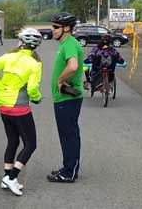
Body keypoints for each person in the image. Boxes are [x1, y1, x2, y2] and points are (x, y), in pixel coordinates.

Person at [0, 28, 43, 196]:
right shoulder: (34, 64)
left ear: (20, 43)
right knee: (31, 144)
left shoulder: (8, 56)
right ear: (34, 47)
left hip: (3, 104)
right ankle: (12, 178)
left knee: (13, 140)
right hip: (19, 106)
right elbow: (32, 88)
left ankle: (6, 177)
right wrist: (37, 98)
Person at [47, 12, 85, 183]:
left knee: (68, 135)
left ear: (67, 28)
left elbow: (73, 66)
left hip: (67, 98)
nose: (52, 30)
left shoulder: (69, 44)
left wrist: (60, 80)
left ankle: (69, 172)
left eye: (56, 27)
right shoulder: (66, 44)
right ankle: (69, 168)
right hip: (64, 99)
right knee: (68, 134)